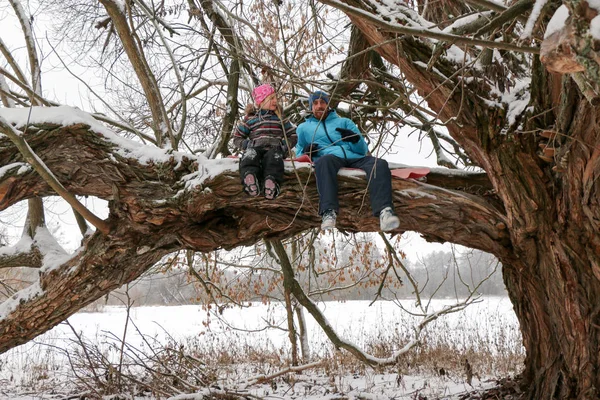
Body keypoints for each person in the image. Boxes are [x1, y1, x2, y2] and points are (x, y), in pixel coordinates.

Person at [295, 90, 400, 231]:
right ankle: (328, 212)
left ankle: (385, 211)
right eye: (315, 103)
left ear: (328, 104)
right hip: (329, 158)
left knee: (378, 163)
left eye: (323, 102)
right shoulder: (303, 128)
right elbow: (299, 154)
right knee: (323, 162)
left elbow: (362, 150)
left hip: (353, 157)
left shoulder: (344, 122)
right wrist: (307, 152)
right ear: (311, 106)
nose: (319, 106)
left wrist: (354, 139)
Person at [233, 84, 296, 200]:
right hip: (255, 147)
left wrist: (284, 146)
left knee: (274, 159)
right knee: (249, 156)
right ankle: (249, 177)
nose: (275, 101)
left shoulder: (280, 117)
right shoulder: (250, 118)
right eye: (271, 98)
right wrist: (247, 145)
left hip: (274, 148)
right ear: (261, 101)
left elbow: (292, 135)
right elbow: (237, 138)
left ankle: (271, 182)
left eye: (275, 98)